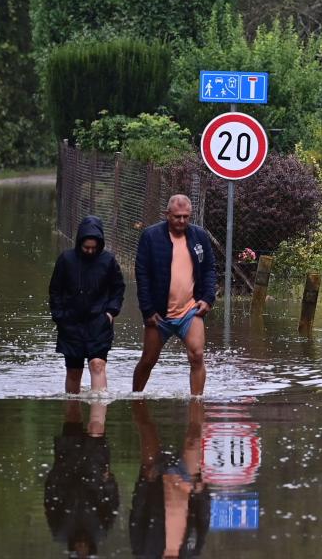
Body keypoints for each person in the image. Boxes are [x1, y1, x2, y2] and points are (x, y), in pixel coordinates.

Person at [133, 195, 216, 396]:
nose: (182, 221)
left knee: (197, 355)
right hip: (159, 314)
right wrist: (148, 310)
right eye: (177, 217)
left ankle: (197, 405)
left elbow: (209, 269)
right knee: (148, 360)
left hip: (190, 309)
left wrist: (207, 298)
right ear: (167, 215)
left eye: (186, 217)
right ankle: (135, 398)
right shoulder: (150, 237)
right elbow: (142, 274)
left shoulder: (199, 237)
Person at [49, 216, 125, 394]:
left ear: (100, 244)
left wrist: (111, 312)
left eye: (94, 248)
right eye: (86, 248)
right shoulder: (66, 260)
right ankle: (72, 414)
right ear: (79, 243)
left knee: (97, 364)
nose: (90, 251)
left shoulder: (108, 261)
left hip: (99, 321)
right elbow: (55, 290)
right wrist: (59, 315)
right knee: (74, 371)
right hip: (71, 322)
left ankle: (98, 417)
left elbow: (118, 288)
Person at [129, 399, 210, 558]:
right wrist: (202, 493)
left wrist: (144, 482)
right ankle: (198, 399)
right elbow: (203, 521)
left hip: (155, 480)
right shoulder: (191, 553)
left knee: (146, 429)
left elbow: (137, 515)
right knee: (194, 439)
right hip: (188, 481)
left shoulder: (144, 553)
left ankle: (138, 398)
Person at [44, 400, 120, 558]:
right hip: (95, 473)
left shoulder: (60, 532)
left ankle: (81, 392)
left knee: (73, 417)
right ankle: (95, 395)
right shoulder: (100, 532)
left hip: (67, 470)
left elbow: (50, 500)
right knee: (96, 428)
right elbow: (111, 504)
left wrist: (54, 476)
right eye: (82, 552)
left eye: (79, 552)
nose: (81, 549)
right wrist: (109, 481)